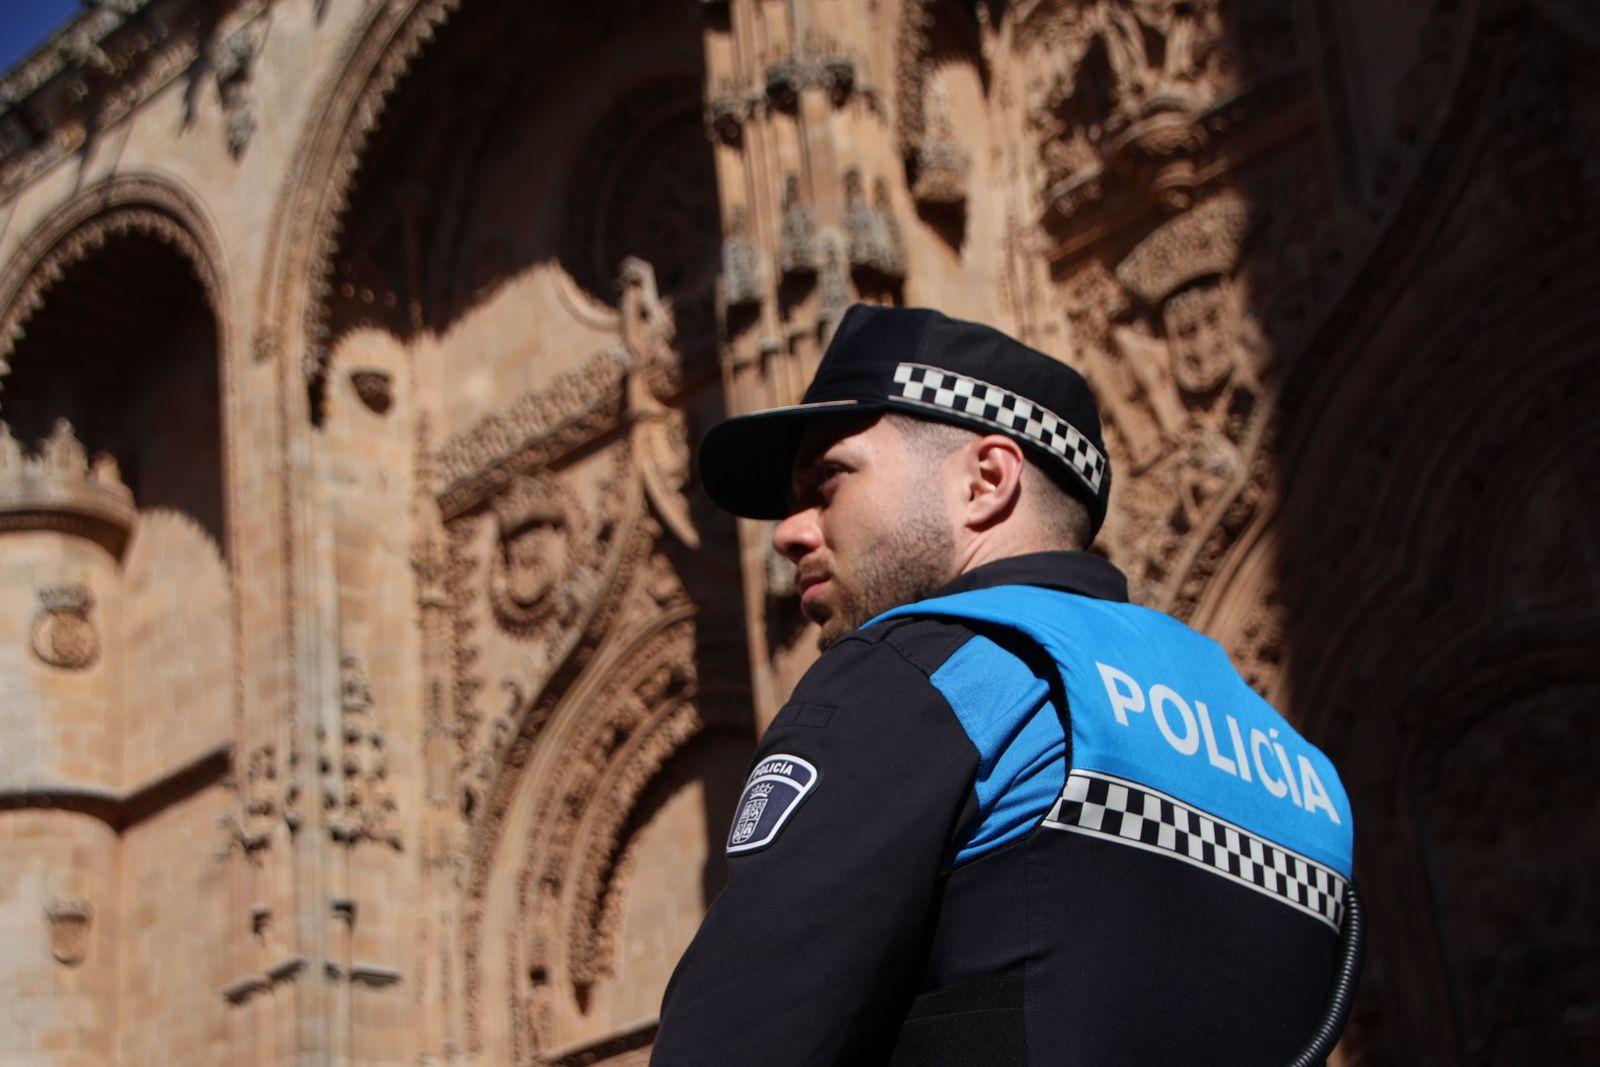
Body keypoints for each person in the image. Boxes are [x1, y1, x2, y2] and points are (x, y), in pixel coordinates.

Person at [652, 305, 1355, 1066]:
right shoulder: (1294, 765)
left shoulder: (924, 674)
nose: (790, 530)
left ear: (986, 480)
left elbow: (737, 1036)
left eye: (827, 480)